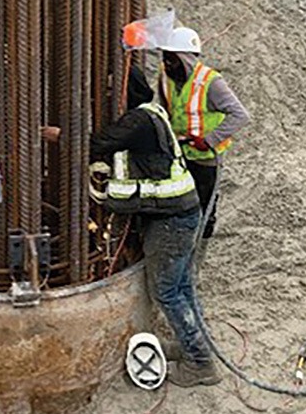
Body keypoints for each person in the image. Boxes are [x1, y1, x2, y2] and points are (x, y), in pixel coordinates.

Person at [42, 65, 221, 387]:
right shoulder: (151, 113)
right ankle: (193, 346)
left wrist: (59, 136)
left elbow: (97, 144)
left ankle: (200, 364)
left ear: (128, 90)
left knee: (167, 292)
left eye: (113, 88)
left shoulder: (138, 121)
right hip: (180, 214)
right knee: (181, 288)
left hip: (172, 222)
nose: (107, 94)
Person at [157, 27, 249, 240]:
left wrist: (209, 140)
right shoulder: (167, 77)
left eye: (172, 59)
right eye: (165, 57)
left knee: (203, 207)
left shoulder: (210, 82)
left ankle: (199, 244)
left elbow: (240, 115)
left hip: (204, 158)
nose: (167, 64)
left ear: (185, 58)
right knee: (179, 203)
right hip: (179, 154)